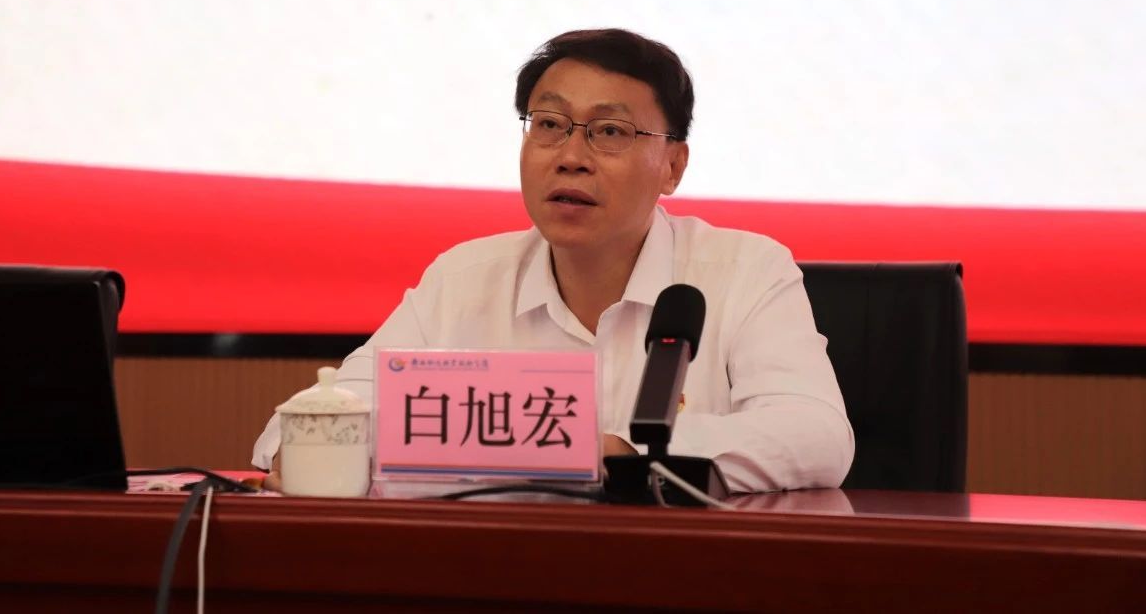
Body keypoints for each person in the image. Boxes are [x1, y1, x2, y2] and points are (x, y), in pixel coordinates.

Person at [253, 28, 853, 491]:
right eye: (549, 124)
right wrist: (317, 456)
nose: (570, 156)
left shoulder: (745, 272)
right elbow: (300, 431)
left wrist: (622, 453)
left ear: (673, 166)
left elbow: (816, 435)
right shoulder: (463, 280)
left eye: (609, 132)